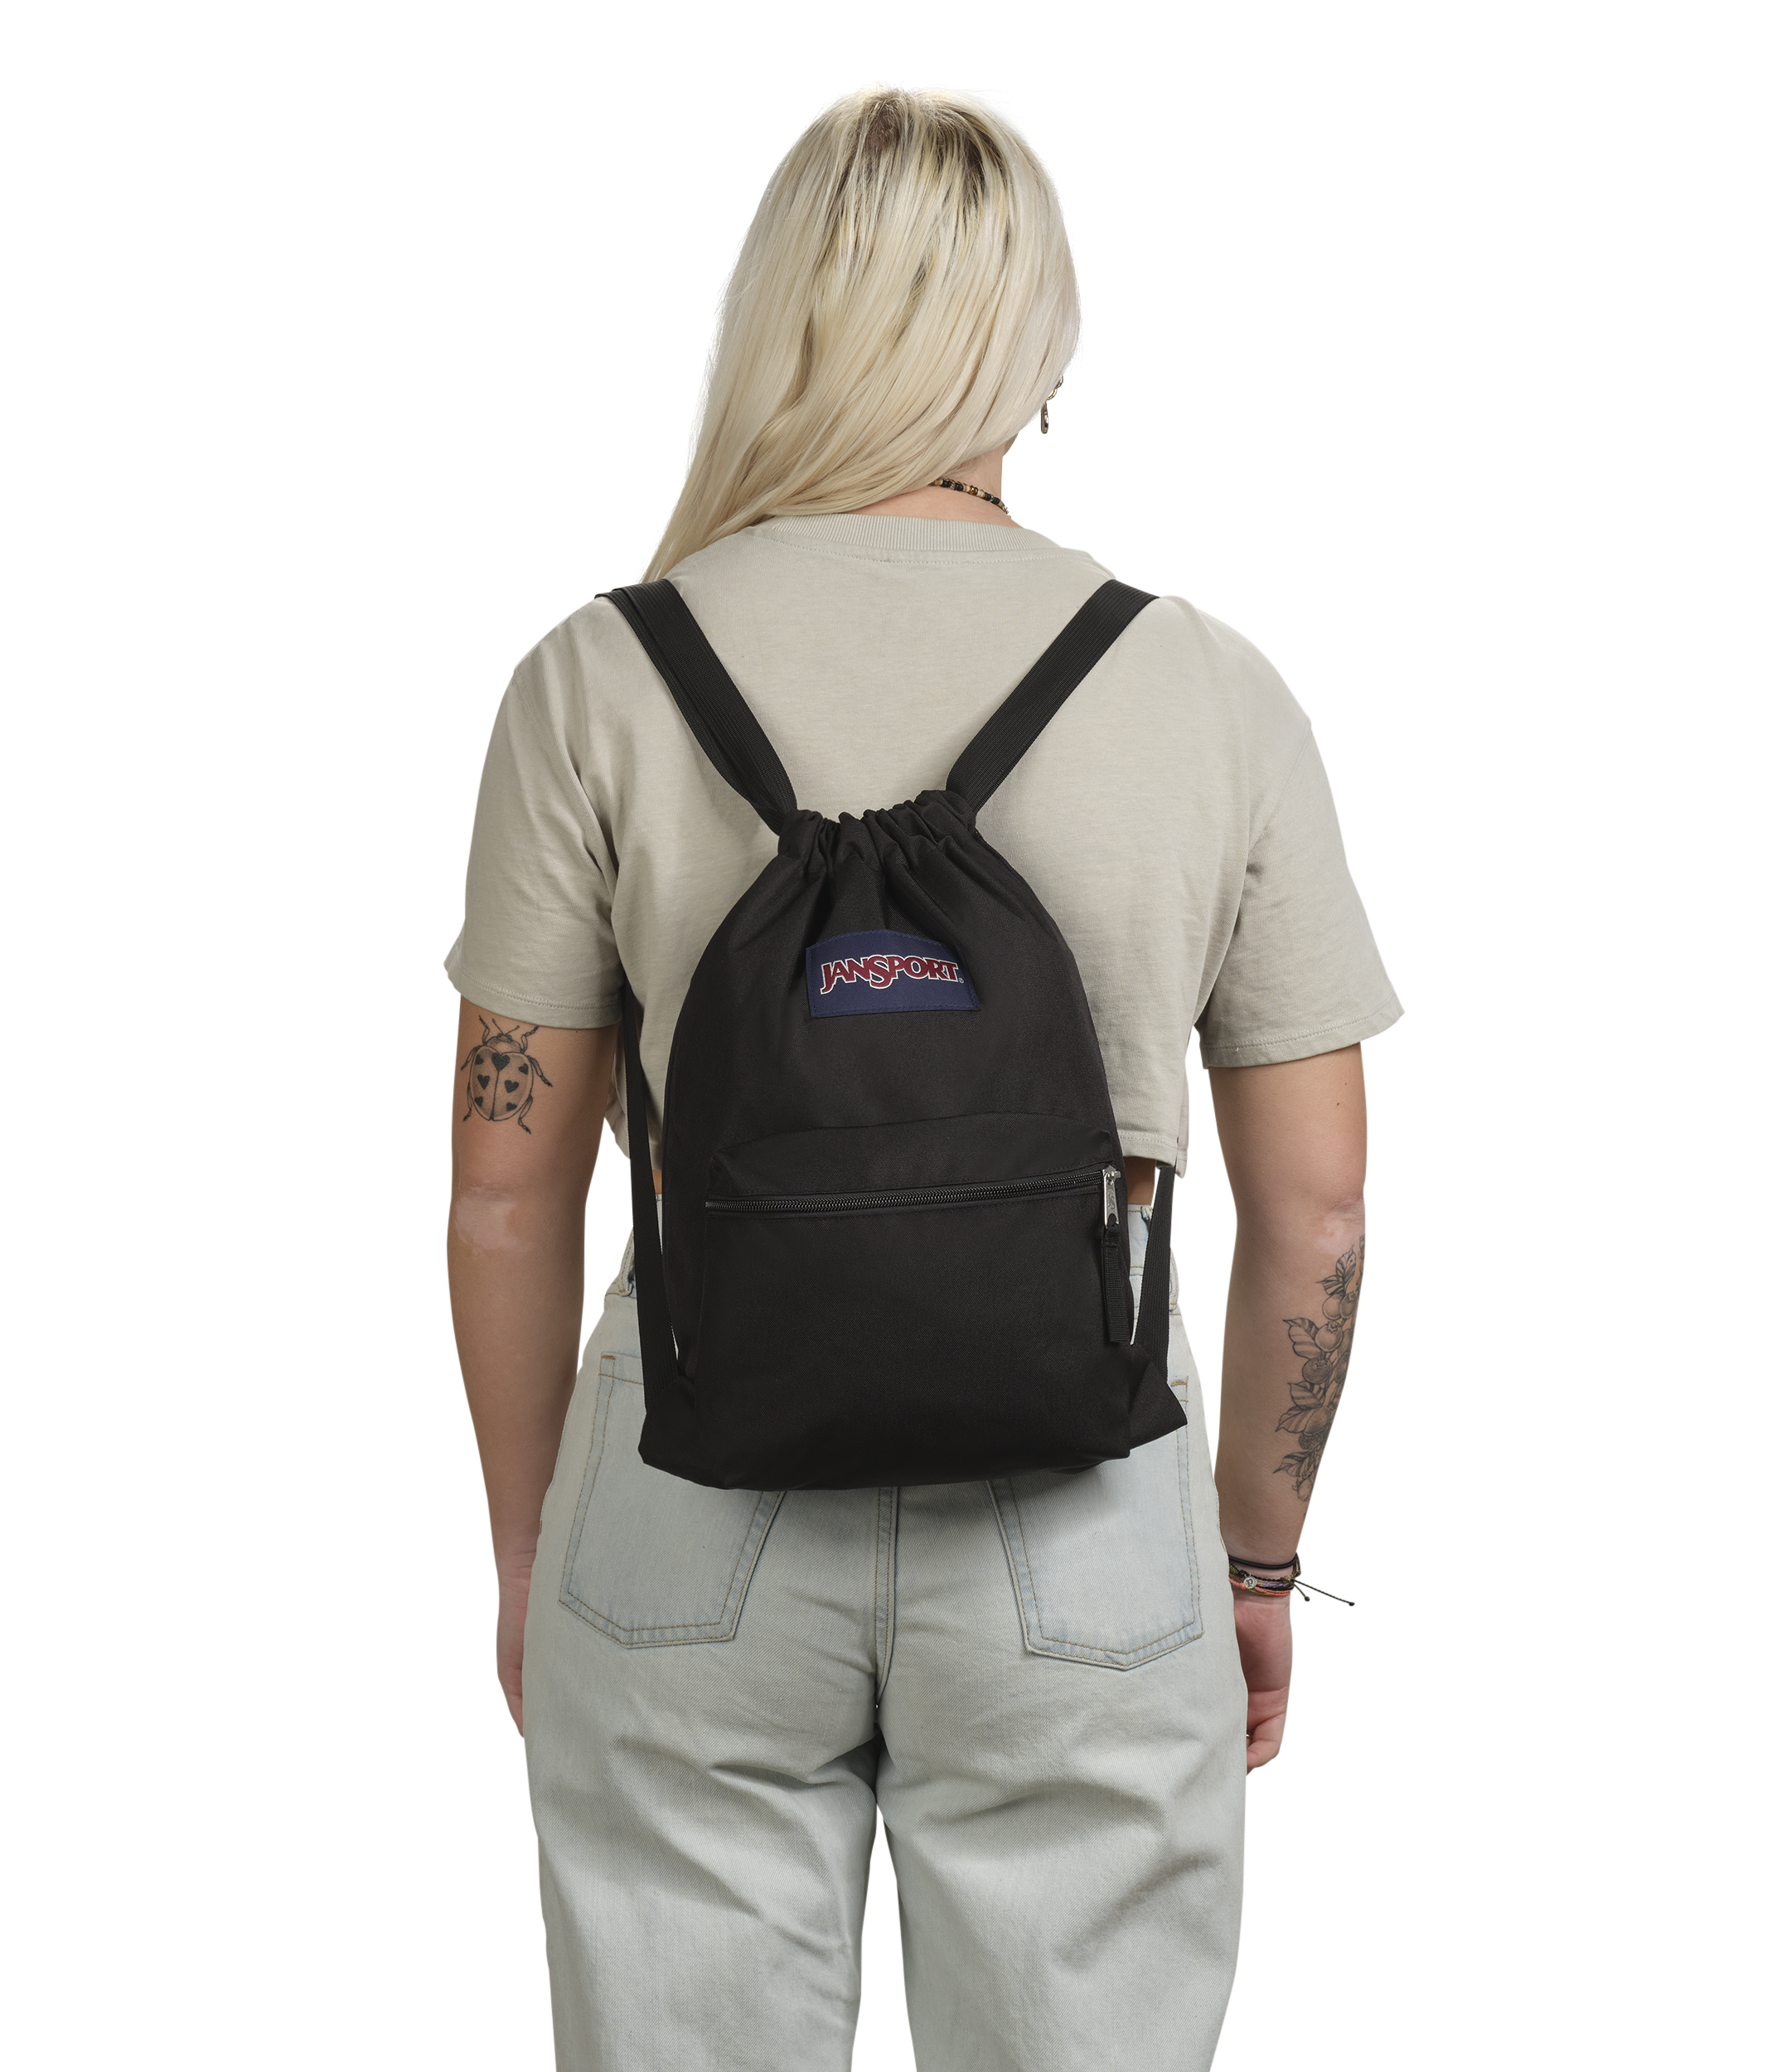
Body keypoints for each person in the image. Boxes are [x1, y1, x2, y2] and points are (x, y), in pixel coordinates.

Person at [446, 87, 1399, 2072]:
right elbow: (1315, 1205)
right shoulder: (1207, 687)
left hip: (685, 1485)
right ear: (1040, 351)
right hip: (1086, 1494)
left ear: (776, 316)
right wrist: (1251, 1551)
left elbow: (506, 1184)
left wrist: (539, 1545)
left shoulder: (597, 679)